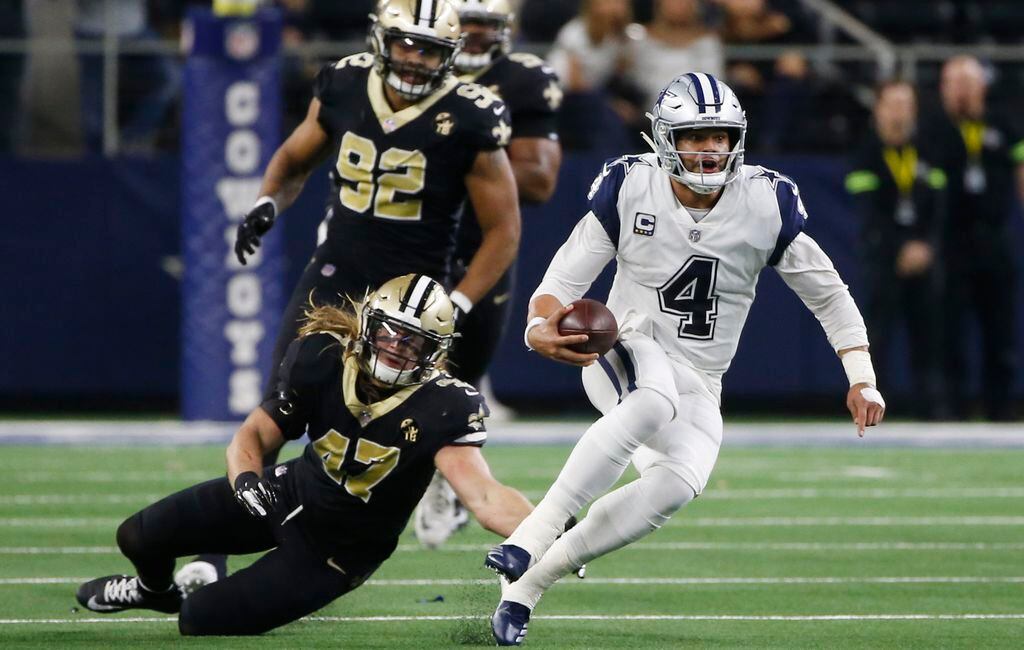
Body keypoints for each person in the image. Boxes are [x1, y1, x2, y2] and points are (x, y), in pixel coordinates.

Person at [484, 72, 887, 646]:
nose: (710, 148)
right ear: (665, 138)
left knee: (677, 484)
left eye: (720, 136)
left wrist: (862, 378)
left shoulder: (764, 201)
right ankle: (535, 529)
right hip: (622, 347)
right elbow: (563, 277)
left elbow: (829, 294)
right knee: (651, 396)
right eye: (695, 136)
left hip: (700, 376)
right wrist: (535, 329)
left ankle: (528, 585)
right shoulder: (631, 186)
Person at [176, 0, 521, 590]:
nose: (414, 59)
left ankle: (400, 523)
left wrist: (458, 302)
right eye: (405, 44)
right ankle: (216, 548)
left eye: (429, 48)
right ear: (382, 39)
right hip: (336, 273)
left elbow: (504, 230)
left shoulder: (470, 114)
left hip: (413, 296)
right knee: (275, 411)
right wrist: (266, 202)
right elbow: (293, 157)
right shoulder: (343, 81)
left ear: (450, 55)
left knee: (411, 430)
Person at [76, 275, 534, 636]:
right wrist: (246, 481)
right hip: (289, 491)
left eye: (413, 342)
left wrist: (550, 532)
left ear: (434, 354)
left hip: (335, 552)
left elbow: (485, 498)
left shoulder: (446, 405)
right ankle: (152, 589)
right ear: (369, 324)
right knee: (136, 535)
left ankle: (192, 599)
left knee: (198, 618)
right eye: (392, 332)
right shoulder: (322, 356)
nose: (397, 347)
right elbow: (254, 433)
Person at [413, 0, 563, 550]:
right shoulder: (411, 67)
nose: (474, 34)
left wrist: (451, 153)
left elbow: (541, 180)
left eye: (486, 24)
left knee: (460, 380)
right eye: (465, 22)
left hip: (482, 250)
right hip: (407, 242)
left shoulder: (522, 79)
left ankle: (448, 480)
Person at [923, 56, 1024, 421]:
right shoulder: (934, 128)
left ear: (982, 85)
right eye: (955, 82)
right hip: (953, 241)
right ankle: (950, 410)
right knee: (949, 331)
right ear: (944, 88)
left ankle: (1001, 409)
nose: (963, 90)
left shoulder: (1003, 124)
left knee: (1001, 330)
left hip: (995, 238)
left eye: (968, 82)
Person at [845, 80, 947, 419]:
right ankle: (873, 407)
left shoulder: (929, 151)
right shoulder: (865, 153)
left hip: (924, 258)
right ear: (879, 109)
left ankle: (933, 409)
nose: (899, 112)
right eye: (892, 104)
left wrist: (925, 246)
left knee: (930, 334)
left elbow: (940, 207)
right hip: (883, 259)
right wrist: (900, 248)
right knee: (878, 334)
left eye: (906, 104)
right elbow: (869, 212)